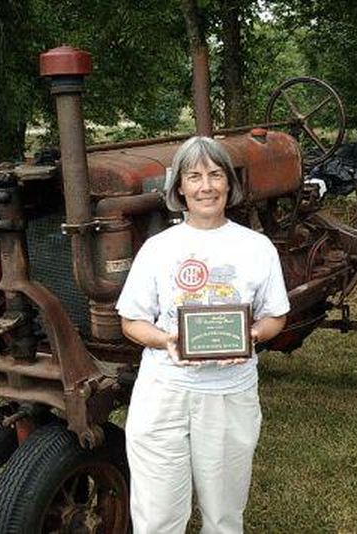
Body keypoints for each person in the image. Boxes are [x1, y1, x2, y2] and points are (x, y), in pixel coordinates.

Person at [116, 136, 290, 534]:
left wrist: (250, 335)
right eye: (194, 176)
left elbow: (276, 316)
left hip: (229, 395)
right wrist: (166, 340)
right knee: (157, 518)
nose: (206, 186)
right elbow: (131, 321)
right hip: (164, 395)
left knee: (223, 517)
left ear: (229, 182)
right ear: (179, 187)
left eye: (215, 175)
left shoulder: (256, 247)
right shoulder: (157, 248)